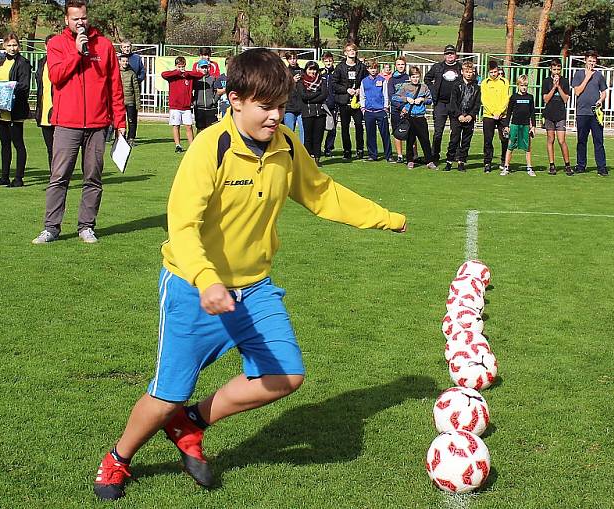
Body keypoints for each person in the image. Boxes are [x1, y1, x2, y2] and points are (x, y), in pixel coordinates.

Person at [91, 47, 406, 502]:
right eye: (266, 105)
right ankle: (119, 457)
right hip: (191, 288)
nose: (276, 115)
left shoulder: (286, 146)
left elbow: (324, 194)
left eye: (281, 104)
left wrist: (386, 217)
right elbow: (182, 225)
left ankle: (192, 422)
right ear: (234, 99)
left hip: (254, 288)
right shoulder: (209, 149)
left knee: (286, 377)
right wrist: (205, 279)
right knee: (166, 396)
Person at [31, 0, 126, 245]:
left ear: (87, 17)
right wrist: (76, 51)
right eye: (75, 19)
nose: (80, 23)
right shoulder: (56, 44)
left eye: (83, 18)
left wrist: (120, 121)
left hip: (97, 125)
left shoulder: (104, 46)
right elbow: (57, 77)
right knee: (59, 176)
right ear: (66, 20)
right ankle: (51, 227)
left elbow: (115, 86)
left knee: (93, 177)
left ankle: (86, 226)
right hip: (66, 124)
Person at [0, 33, 31, 187]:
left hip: (15, 110)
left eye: (14, 45)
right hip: (0, 110)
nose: (12, 48)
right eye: (9, 45)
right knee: (4, 143)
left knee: (18, 144)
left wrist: (9, 90)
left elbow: (24, 86)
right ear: (4, 46)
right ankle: (4, 176)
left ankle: (19, 178)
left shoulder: (23, 63)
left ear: (18, 46)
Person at [571, 50, 608, 176]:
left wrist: (600, 100)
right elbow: (577, 92)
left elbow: (604, 92)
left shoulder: (599, 76)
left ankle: (601, 167)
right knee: (582, 140)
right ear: (585, 60)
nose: (592, 63)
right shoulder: (579, 74)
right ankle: (581, 165)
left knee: (598, 141)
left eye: (594, 61)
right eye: (590, 60)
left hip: (595, 113)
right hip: (582, 112)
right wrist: (587, 77)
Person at [424, 44, 462, 165]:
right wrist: (433, 89)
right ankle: (434, 155)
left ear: (456, 55)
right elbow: (427, 79)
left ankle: (454, 154)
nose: (450, 55)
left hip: (456, 104)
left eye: (452, 53)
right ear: (444, 55)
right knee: (438, 132)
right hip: (440, 103)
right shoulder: (437, 67)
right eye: (447, 53)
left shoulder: (460, 67)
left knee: (455, 131)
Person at [392, 66, 434, 170]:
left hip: (420, 117)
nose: (415, 79)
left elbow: (430, 100)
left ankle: (429, 161)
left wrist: (422, 99)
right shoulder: (405, 86)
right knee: (410, 140)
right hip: (409, 117)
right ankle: (410, 160)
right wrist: (406, 99)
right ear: (410, 77)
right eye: (413, 77)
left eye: (417, 77)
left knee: (425, 140)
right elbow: (394, 97)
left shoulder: (424, 87)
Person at [332, 42, 366, 160]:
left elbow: (366, 81)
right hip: (344, 102)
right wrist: (346, 90)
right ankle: (347, 151)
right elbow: (334, 84)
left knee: (359, 126)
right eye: (349, 50)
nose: (352, 52)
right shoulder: (340, 67)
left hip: (357, 103)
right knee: (345, 128)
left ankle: (360, 150)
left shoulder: (361, 66)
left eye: (354, 50)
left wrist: (359, 90)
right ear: (345, 53)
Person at [161, 56, 202, 153]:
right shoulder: (172, 76)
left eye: (183, 66)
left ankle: (192, 145)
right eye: (179, 66)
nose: (181, 69)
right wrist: (178, 72)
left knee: (188, 126)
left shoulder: (189, 76)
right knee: (176, 125)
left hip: (186, 107)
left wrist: (186, 73)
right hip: (175, 106)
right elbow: (163, 74)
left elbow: (199, 74)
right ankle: (178, 145)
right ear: (176, 66)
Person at [445, 60, 480, 172]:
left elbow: (477, 104)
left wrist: (471, 115)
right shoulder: (456, 86)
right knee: (454, 140)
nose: (469, 74)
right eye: (467, 71)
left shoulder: (476, 87)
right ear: (462, 72)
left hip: (469, 118)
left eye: (471, 72)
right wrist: (458, 115)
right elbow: (453, 103)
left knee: (466, 141)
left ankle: (461, 162)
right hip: (457, 118)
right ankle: (449, 161)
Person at [541, 58, 572, 175]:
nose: (556, 72)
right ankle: (552, 164)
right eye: (554, 69)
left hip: (560, 114)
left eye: (558, 69)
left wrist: (559, 87)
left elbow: (565, 99)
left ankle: (567, 165)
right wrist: (553, 87)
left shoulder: (564, 81)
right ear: (550, 69)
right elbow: (546, 99)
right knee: (550, 139)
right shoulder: (546, 81)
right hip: (549, 114)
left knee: (562, 140)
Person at [501, 74, 536, 176]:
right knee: (510, 146)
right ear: (518, 85)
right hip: (515, 125)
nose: (524, 87)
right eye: (521, 85)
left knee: (527, 147)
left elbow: (532, 113)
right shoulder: (513, 97)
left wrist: (533, 126)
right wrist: (506, 125)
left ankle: (529, 167)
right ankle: (506, 167)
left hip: (525, 125)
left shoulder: (530, 97)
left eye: (525, 85)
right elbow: (509, 112)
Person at [480, 60, 510, 173]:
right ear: (488, 72)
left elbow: (506, 98)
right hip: (489, 115)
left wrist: (500, 111)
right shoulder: (484, 83)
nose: (494, 74)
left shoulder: (504, 82)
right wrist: (493, 112)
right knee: (488, 140)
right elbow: (484, 99)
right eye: (491, 72)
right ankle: (487, 162)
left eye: (495, 72)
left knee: (505, 139)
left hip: (502, 115)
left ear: (498, 71)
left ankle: (504, 161)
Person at [360, 59, 391, 162]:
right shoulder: (364, 81)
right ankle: (373, 155)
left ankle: (389, 155)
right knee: (370, 134)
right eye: (371, 68)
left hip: (381, 111)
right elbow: (362, 96)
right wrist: (363, 108)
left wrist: (385, 107)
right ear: (368, 69)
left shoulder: (383, 80)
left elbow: (385, 95)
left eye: (375, 68)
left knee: (385, 134)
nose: (373, 70)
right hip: (369, 111)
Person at [298, 60, 328, 165]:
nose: (313, 71)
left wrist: (311, 97)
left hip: (320, 113)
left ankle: (317, 159)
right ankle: (307, 160)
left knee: (318, 137)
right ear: (306, 70)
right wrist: (317, 94)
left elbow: (324, 95)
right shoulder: (301, 82)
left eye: (314, 69)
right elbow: (304, 97)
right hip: (307, 113)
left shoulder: (322, 81)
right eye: (310, 69)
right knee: (308, 137)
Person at [36, 34, 56, 173]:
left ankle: (60, 175)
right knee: (50, 148)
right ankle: (53, 175)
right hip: (44, 112)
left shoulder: (63, 62)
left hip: (59, 112)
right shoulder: (42, 62)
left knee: (60, 149)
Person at [387, 56, 410, 164]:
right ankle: (400, 156)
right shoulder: (392, 80)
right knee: (397, 133)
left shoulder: (408, 78)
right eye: (399, 64)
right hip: (396, 109)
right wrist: (401, 107)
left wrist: (406, 107)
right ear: (395, 66)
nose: (401, 66)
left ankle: (412, 155)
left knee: (411, 132)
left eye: (402, 64)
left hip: (408, 109)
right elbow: (392, 96)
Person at [193, 59, 223, 131]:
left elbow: (218, 91)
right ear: (198, 68)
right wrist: (194, 101)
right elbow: (188, 91)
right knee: (200, 129)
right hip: (199, 109)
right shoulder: (195, 80)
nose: (204, 69)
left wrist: (213, 101)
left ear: (208, 68)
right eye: (202, 67)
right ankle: (199, 142)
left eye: (205, 67)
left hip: (211, 108)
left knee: (211, 130)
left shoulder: (213, 79)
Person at [119, 54, 141, 144]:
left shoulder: (132, 73)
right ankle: (121, 138)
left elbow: (136, 89)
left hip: (130, 101)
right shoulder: (116, 73)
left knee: (132, 120)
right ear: (119, 62)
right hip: (119, 101)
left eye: (126, 61)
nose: (125, 63)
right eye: (123, 61)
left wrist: (138, 102)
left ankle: (131, 138)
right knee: (120, 121)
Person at [283, 52, 305, 143]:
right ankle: (289, 149)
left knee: (303, 130)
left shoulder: (302, 71)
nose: (293, 60)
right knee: (289, 131)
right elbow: (281, 87)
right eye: (290, 58)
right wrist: (292, 81)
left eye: (294, 58)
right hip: (289, 105)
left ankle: (303, 150)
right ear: (287, 60)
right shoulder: (284, 72)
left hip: (301, 105)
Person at [319, 52, 337, 157]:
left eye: (330, 60)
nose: (328, 63)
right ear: (323, 61)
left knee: (332, 128)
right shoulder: (321, 73)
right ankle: (318, 148)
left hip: (333, 104)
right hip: (322, 104)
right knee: (320, 127)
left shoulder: (336, 73)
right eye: (326, 61)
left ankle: (328, 148)